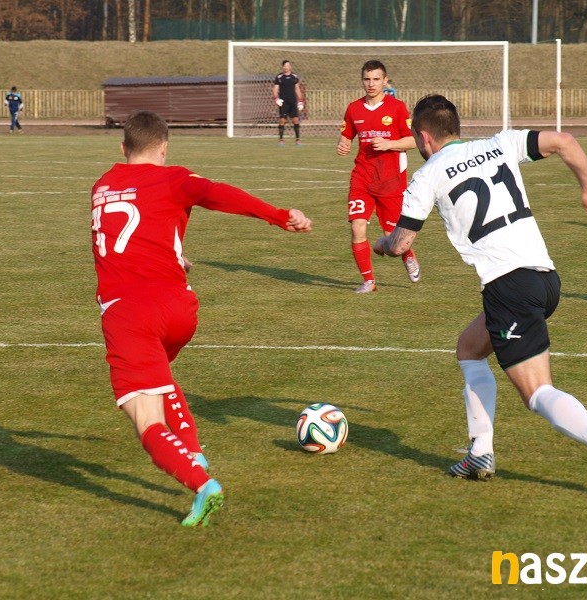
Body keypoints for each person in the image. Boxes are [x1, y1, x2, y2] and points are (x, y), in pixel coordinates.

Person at [374, 94, 587, 502]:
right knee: (469, 348)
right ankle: (480, 453)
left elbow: (401, 243)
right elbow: (565, 141)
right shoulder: (498, 143)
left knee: (537, 393)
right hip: (545, 278)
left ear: (424, 137)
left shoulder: (427, 176)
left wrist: (382, 245)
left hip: (508, 286)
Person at [90, 110, 312, 527]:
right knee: (159, 373)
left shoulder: (101, 185)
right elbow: (218, 194)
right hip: (179, 307)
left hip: (129, 313)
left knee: (147, 420)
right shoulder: (174, 178)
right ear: (164, 148)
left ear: (122, 148)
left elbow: (121, 240)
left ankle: (202, 484)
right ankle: (193, 451)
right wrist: (279, 215)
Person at [336, 59, 420, 294]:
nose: (371, 84)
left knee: (393, 240)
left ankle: (408, 256)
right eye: (367, 79)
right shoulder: (354, 108)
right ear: (362, 80)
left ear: (385, 81)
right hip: (362, 177)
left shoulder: (397, 107)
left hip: (390, 180)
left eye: (376, 79)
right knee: (357, 227)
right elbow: (346, 135)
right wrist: (342, 144)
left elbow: (413, 141)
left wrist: (389, 144)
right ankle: (369, 281)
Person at [272, 60, 304, 146]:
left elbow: (297, 89)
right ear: (283, 67)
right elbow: (275, 89)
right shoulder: (279, 77)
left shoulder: (294, 77)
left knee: (295, 120)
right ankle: (281, 140)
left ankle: (297, 139)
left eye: (288, 65)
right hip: (283, 102)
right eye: (285, 66)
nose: (286, 67)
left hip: (292, 101)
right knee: (282, 120)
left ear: (290, 67)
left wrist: (301, 101)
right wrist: (276, 99)